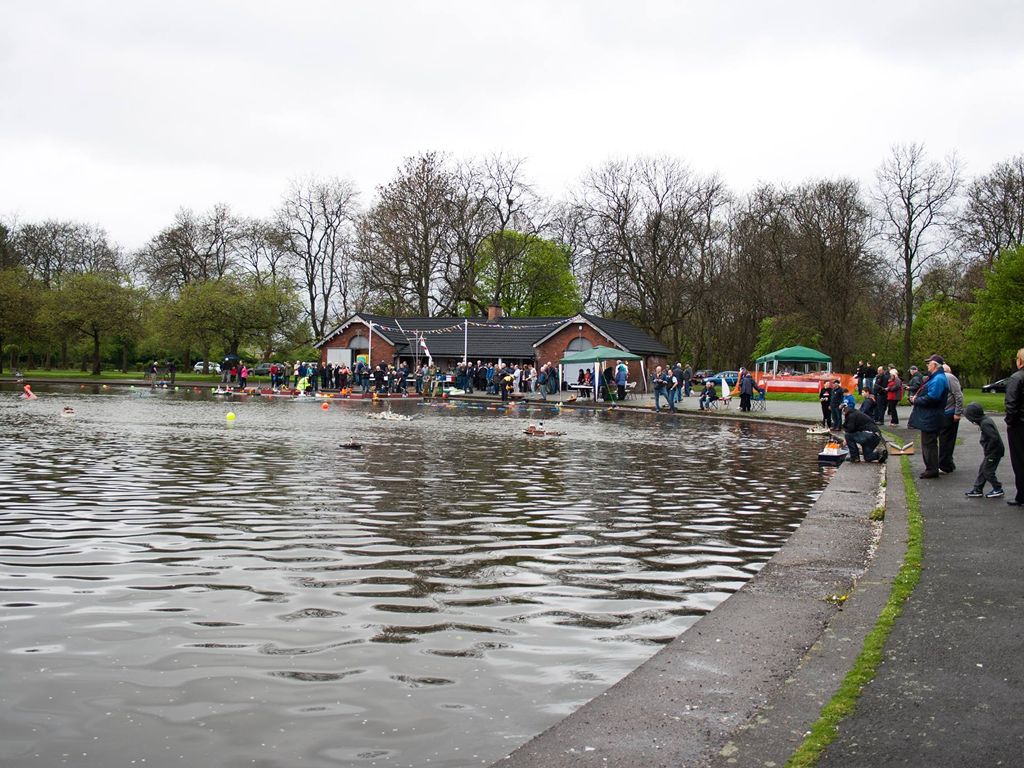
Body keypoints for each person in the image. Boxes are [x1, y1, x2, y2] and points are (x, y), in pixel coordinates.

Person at [908, 354, 949, 479]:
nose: (927, 365)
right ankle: (930, 468)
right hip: (930, 416)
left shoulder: (938, 379)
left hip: (931, 416)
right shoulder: (936, 378)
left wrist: (916, 400)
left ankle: (931, 469)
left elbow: (932, 398)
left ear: (935, 365)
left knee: (929, 443)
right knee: (927, 443)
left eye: (929, 363)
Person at [963, 402, 1005, 499]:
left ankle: (997, 488)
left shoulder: (985, 423)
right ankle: (978, 489)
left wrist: (989, 449)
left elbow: (994, 438)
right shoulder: (984, 421)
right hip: (992, 452)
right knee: (983, 469)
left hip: (993, 452)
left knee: (987, 471)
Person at [1005, 348, 1024, 507]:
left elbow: (1011, 404)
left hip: (1019, 425)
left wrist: (1010, 421)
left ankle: (1022, 494)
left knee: (1019, 460)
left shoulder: (1016, 378)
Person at [938, 363, 964, 474]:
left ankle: (944, 465)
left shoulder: (949, 378)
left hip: (949, 413)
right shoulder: (946, 378)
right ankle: (948, 463)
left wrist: (957, 412)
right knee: (946, 439)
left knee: (946, 440)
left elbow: (958, 395)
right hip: (946, 412)